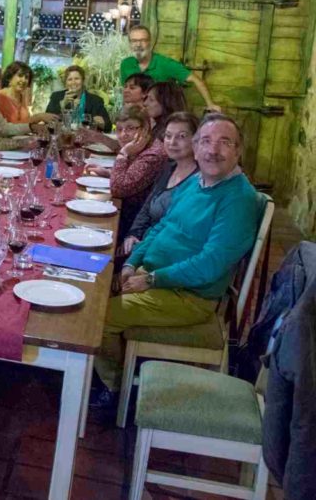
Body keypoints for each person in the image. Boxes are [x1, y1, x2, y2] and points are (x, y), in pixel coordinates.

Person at [92, 114, 259, 401]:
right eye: (205, 141)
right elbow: (160, 227)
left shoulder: (239, 199)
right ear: (196, 148)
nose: (213, 150)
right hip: (155, 276)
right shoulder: (198, 182)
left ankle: (115, 389)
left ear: (239, 150)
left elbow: (210, 265)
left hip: (189, 295)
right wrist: (133, 262)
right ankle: (103, 368)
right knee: (93, 285)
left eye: (224, 142)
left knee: (97, 318)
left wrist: (153, 279)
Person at [121, 112, 199, 256]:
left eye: (181, 136)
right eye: (168, 136)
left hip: (163, 254)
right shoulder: (169, 167)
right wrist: (133, 234)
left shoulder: (198, 180)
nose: (172, 142)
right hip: (143, 244)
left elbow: (175, 232)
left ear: (196, 140)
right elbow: (147, 206)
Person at [90, 105, 168, 241]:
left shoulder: (152, 155)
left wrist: (123, 153)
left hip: (133, 226)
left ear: (144, 129)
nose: (123, 134)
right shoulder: (142, 146)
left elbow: (119, 189)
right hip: (124, 213)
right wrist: (109, 173)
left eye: (130, 128)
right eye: (119, 129)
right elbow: (131, 176)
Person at [120, 25, 220, 111]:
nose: (138, 44)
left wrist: (210, 104)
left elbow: (196, 80)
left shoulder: (166, 64)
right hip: (135, 113)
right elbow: (125, 92)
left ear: (150, 42)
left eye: (143, 40)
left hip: (160, 114)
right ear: (130, 43)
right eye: (134, 41)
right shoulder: (126, 64)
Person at [46, 64, 112, 132]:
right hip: (63, 138)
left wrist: (101, 123)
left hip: (87, 139)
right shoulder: (56, 96)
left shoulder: (96, 100)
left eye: (77, 79)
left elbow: (108, 126)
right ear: (65, 83)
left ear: (83, 81)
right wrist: (62, 104)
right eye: (70, 79)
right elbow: (47, 121)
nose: (73, 82)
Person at [0, 61, 57, 126]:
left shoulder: (22, 96)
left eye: (26, 77)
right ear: (9, 77)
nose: (24, 80)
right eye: (20, 75)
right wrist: (38, 117)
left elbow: (25, 122)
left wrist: (36, 127)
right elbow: (4, 128)